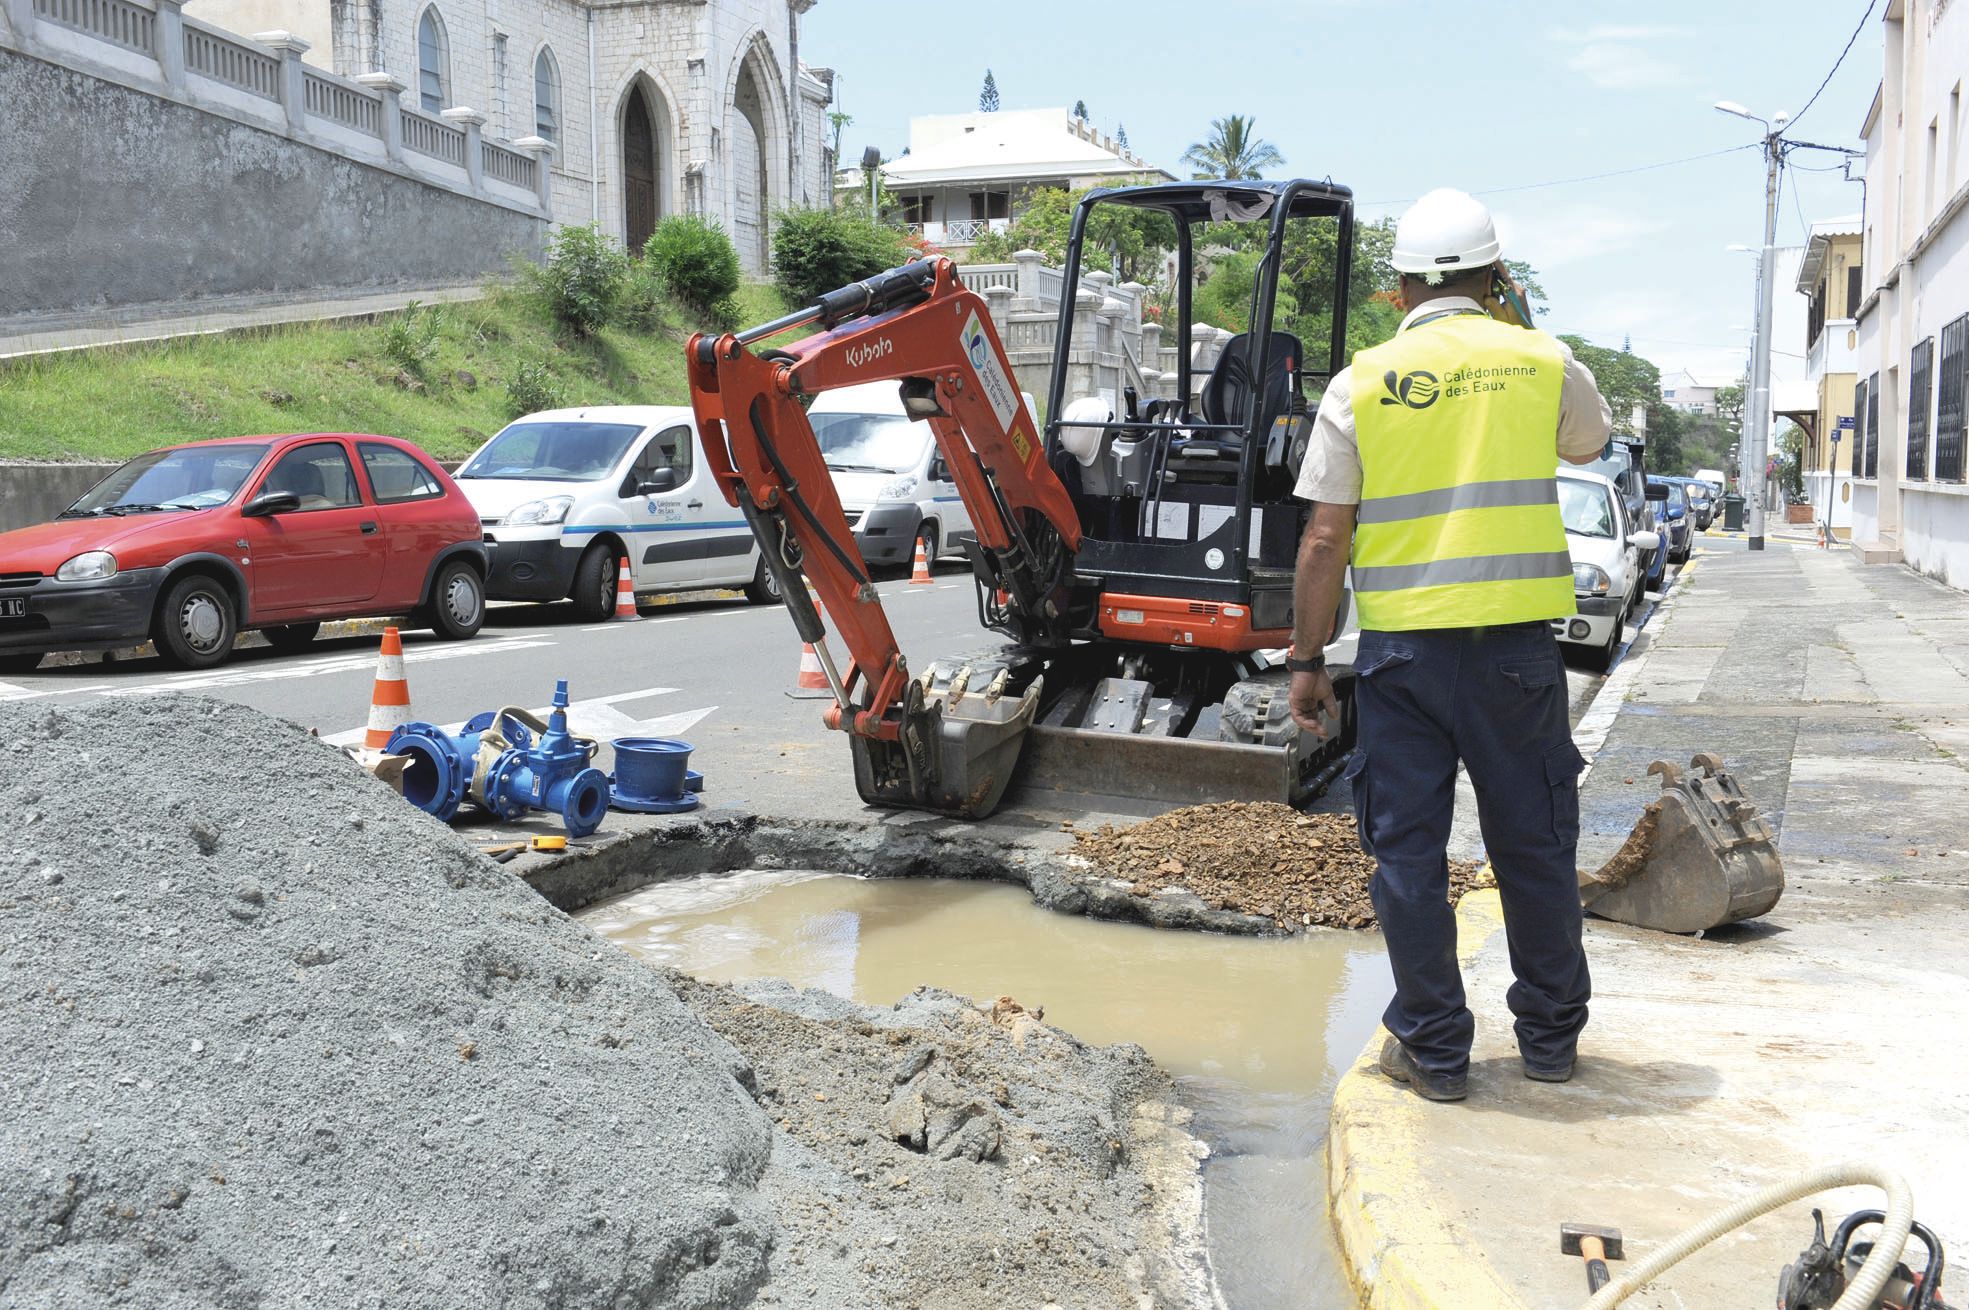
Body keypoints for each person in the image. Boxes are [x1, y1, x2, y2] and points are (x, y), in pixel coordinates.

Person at [1286, 188, 1612, 1103]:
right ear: (1495, 276)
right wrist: (1521, 325)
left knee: (1407, 859)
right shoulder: (1541, 359)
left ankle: (1433, 1050)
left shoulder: (1362, 380)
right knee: (1534, 849)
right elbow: (1589, 444)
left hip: (1401, 660)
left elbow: (1322, 539)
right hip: (1514, 657)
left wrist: (1306, 662)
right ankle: (1548, 1041)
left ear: (1396, 288)